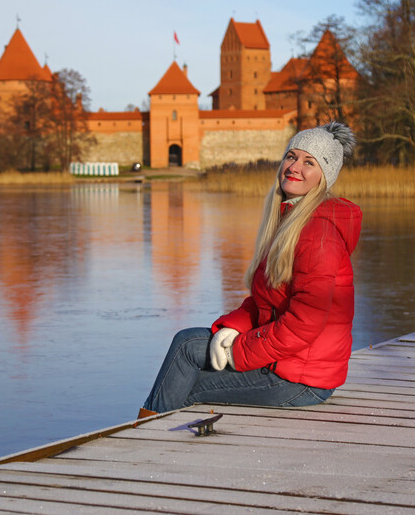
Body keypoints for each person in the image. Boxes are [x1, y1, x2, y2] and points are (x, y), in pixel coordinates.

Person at [138, 121, 362, 418]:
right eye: (291, 157)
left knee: (187, 384)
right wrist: (233, 327)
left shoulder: (318, 234)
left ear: (325, 176)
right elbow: (266, 303)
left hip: (303, 379)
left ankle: (146, 441)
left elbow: (303, 324)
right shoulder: (289, 222)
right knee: (186, 343)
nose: (295, 166)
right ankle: (147, 431)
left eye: (309, 162)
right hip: (286, 361)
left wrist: (239, 351)